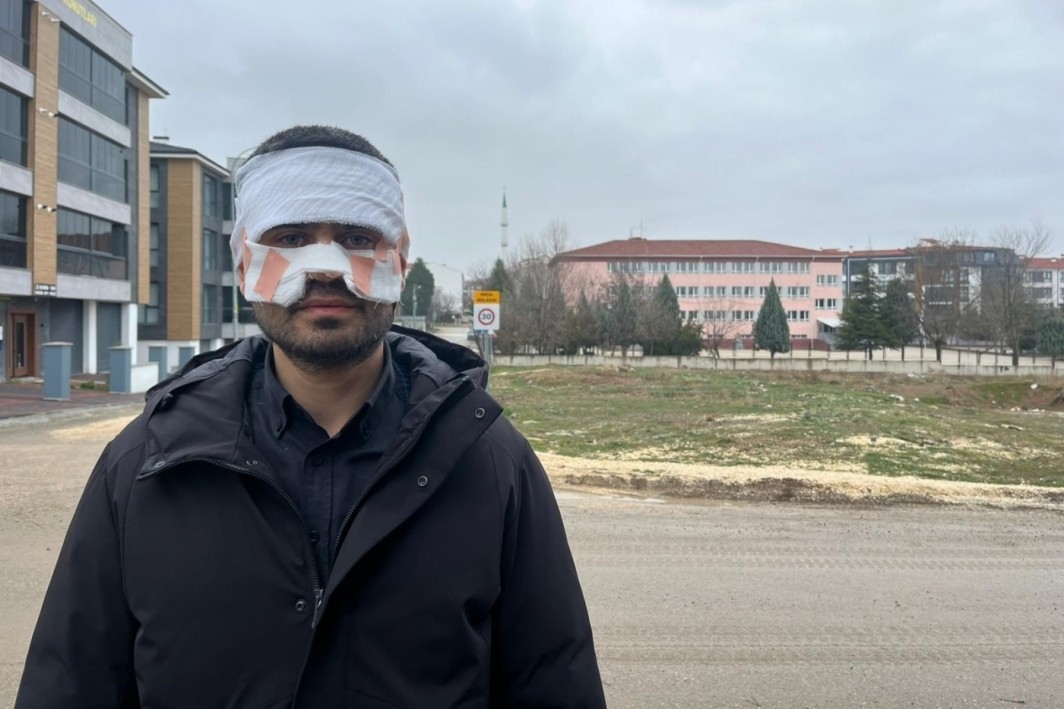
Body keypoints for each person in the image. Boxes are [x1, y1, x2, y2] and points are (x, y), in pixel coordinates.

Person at [15, 125, 605, 708]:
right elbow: (70, 685)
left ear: (400, 259)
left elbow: (555, 684)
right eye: (292, 237)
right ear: (243, 264)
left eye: (356, 237)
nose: (325, 267)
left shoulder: (489, 460)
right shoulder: (147, 461)